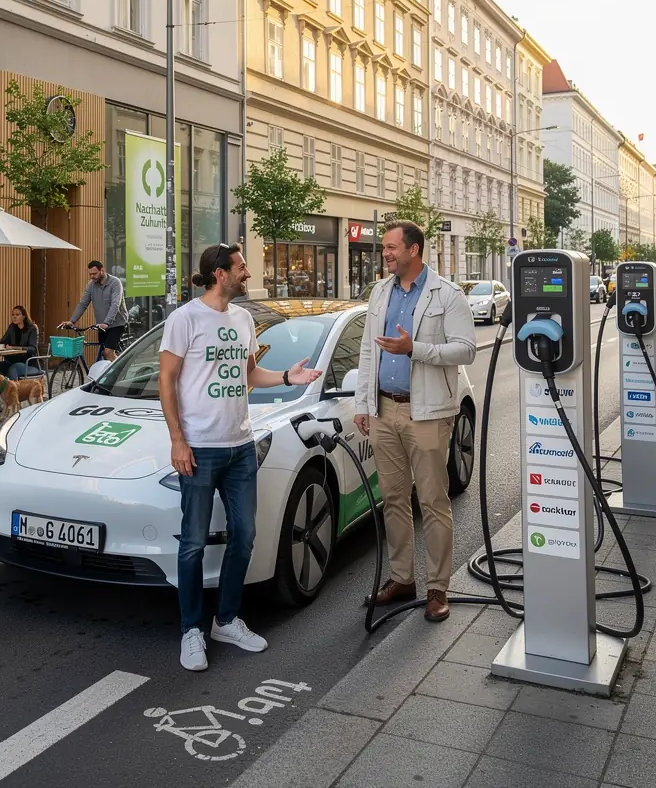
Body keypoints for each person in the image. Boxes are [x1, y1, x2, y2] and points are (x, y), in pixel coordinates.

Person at [159, 243, 322, 672]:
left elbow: (249, 374)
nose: (247, 272)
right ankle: (191, 629)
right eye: (241, 266)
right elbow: (167, 380)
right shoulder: (185, 319)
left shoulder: (243, 319)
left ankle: (226, 619)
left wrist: (289, 376)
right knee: (192, 543)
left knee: (245, 535)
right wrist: (178, 440)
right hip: (200, 447)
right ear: (219, 274)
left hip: (240, 445)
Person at [354, 221, 476, 623]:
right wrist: (363, 402)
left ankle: (438, 588)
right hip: (385, 410)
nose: (385, 253)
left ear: (414, 250)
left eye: (391, 247)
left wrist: (415, 349)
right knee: (393, 499)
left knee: (433, 502)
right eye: (384, 248)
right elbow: (368, 354)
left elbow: (466, 351)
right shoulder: (380, 293)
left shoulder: (448, 294)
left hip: (427, 413)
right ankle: (402, 578)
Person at [62, 260, 129, 361]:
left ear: (102, 271)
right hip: (101, 325)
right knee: (103, 353)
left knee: (108, 352)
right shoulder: (91, 285)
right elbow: (83, 304)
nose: (92, 276)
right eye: (90, 274)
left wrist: (107, 322)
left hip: (116, 324)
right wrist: (72, 321)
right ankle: (107, 375)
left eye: (94, 273)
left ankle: (120, 374)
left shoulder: (115, 283)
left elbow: (115, 304)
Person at [0, 305, 40, 379]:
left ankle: (14, 390)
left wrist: (14, 347)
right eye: (13, 315)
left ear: (24, 316)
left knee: (13, 368)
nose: (14, 317)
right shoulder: (12, 327)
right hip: (11, 361)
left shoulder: (31, 329)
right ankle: (0, 389)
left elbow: (32, 349)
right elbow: (3, 341)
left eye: (17, 314)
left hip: (27, 363)